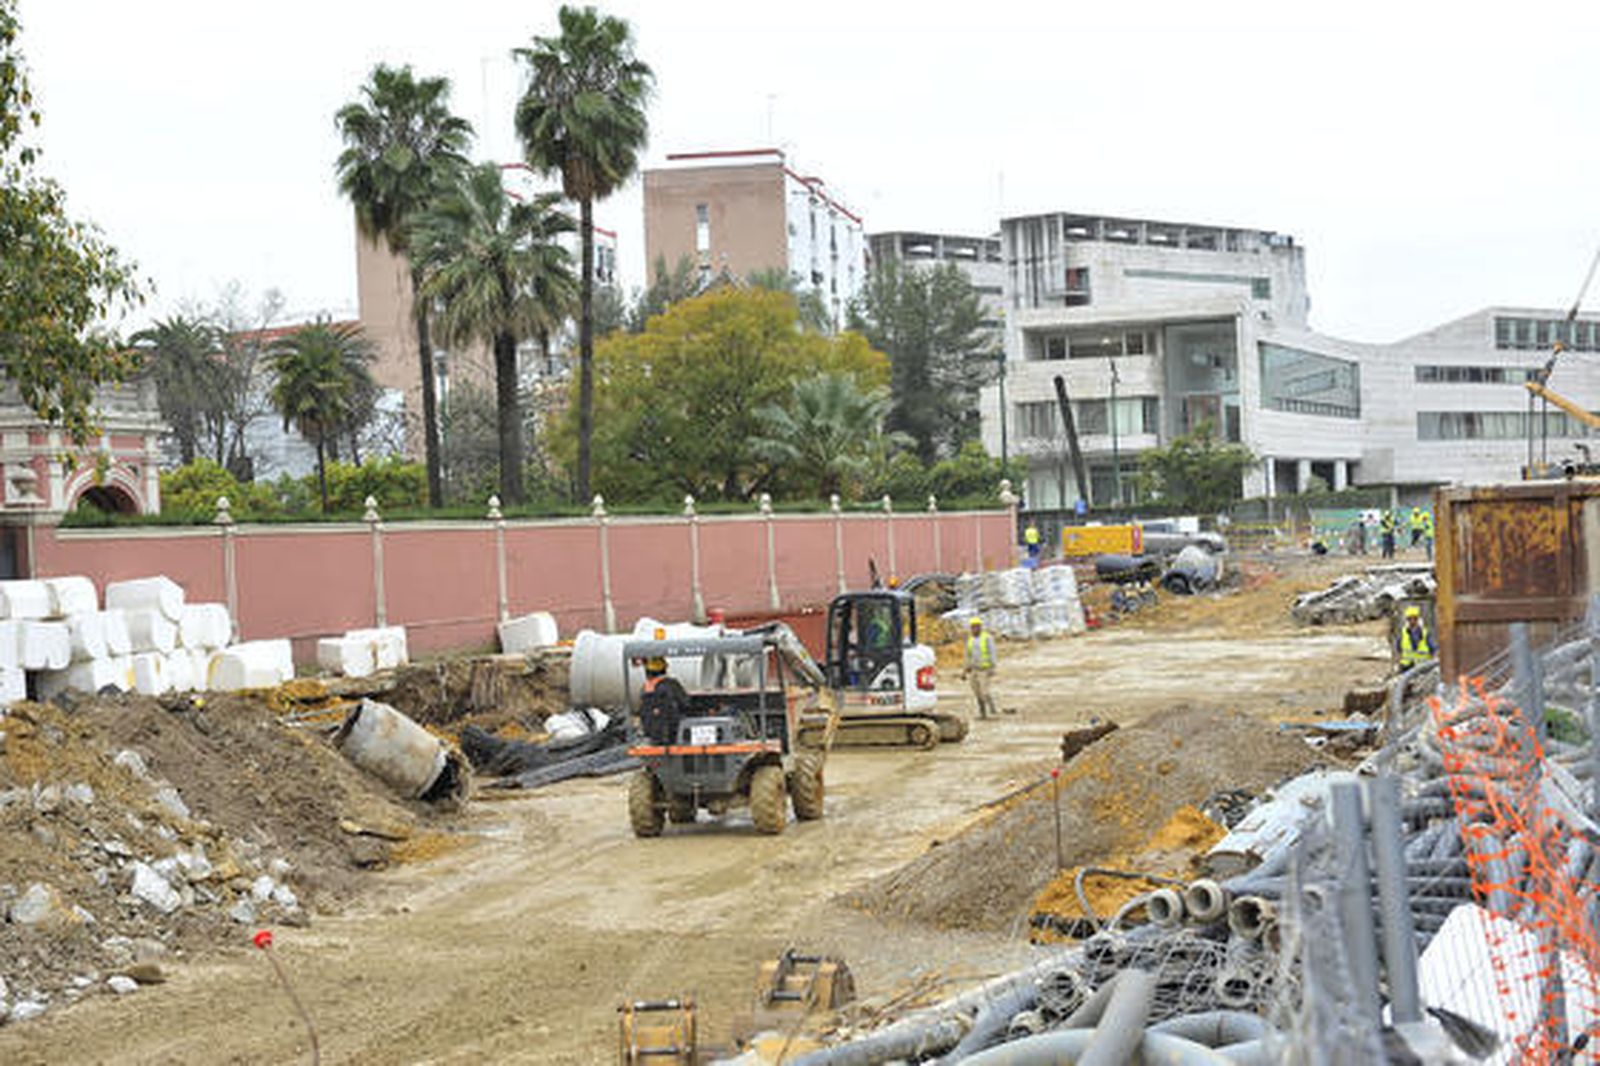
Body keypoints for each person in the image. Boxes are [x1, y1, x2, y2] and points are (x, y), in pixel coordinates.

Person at [963, 617, 999, 720]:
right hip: (974, 669)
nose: (974, 629)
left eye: (976, 627)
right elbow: (967, 655)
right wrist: (965, 669)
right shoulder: (970, 640)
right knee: (977, 692)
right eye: (972, 627)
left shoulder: (987, 638)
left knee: (985, 691)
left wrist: (992, 667)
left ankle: (992, 709)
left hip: (985, 669)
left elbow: (992, 653)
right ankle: (983, 713)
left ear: (980, 627)